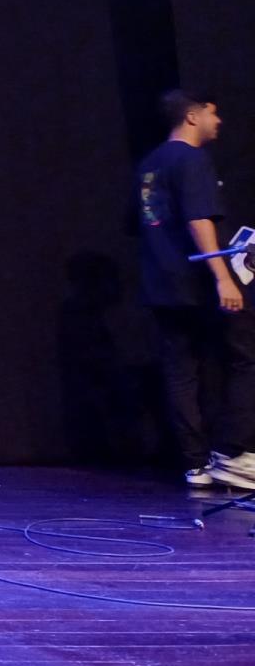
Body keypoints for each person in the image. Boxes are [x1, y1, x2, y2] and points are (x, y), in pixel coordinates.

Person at [135, 90, 255, 490]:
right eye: (212, 113)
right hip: (198, 281)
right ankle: (235, 454)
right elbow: (198, 219)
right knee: (244, 357)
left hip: (161, 284)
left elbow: (140, 221)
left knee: (182, 370)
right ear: (192, 116)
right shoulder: (191, 158)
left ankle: (196, 463)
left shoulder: (148, 165)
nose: (217, 122)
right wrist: (223, 277)